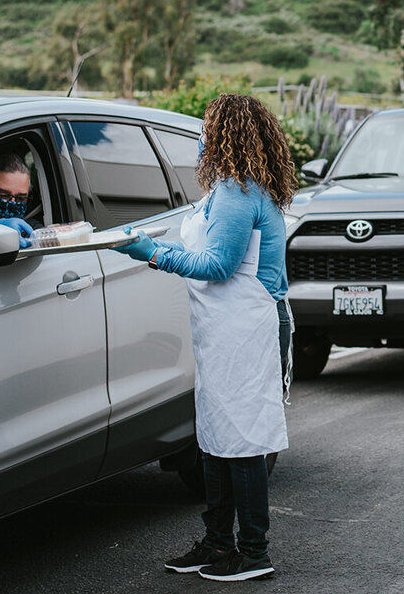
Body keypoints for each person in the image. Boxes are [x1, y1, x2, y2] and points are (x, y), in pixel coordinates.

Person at [113, 93, 296, 583]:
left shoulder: (239, 192)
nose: (199, 139)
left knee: (243, 439)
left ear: (223, 135)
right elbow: (208, 248)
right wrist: (150, 243)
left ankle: (253, 553)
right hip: (223, 331)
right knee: (216, 437)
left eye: (205, 130)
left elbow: (217, 266)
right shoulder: (226, 190)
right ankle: (217, 544)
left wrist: (151, 253)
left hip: (246, 329)